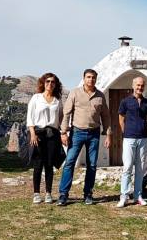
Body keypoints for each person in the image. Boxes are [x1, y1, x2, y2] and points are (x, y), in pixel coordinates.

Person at [58, 69, 112, 206]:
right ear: (84, 78)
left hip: (94, 133)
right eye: (88, 77)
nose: (91, 80)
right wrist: (63, 132)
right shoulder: (75, 93)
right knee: (70, 162)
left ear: (96, 79)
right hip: (77, 133)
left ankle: (88, 194)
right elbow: (66, 113)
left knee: (92, 165)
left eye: (93, 77)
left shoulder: (100, 96)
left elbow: (106, 116)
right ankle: (63, 194)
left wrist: (108, 134)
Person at [26, 73, 64, 204]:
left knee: (49, 165)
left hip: (52, 134)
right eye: (47, 81)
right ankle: (36, 193)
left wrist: (63, 132)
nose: (50, 84)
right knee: (38, 164)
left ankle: (48, 193)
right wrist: (32, 133)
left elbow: (61, 118)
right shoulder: (36, 98)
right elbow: (30, 117)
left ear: (56, 84)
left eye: (53, 82)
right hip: (38, 134)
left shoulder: (57, 101)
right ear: (43, 83)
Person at [117, 77, 147, 208]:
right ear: (133, 85)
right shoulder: (125, 101)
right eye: (138, 85)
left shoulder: (146, 102)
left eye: (142, 85)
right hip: (129, 138)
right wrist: (125, 132)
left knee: (140, 168)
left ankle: (138, 195)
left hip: (143, 138)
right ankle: (124, 196)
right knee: (127, 167)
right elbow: (121, 118)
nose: (140, 87)